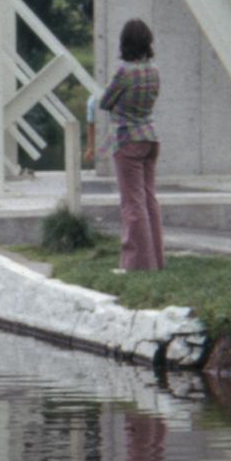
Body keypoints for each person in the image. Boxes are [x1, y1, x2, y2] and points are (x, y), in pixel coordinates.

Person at [98, 16, 164, 271]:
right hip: (151, 137)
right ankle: (156, 259)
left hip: (127, 139)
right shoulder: (154, 70)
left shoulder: (124, 72)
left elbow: (105, 102)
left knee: (132, 203)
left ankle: (136, 263)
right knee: (149, 200)